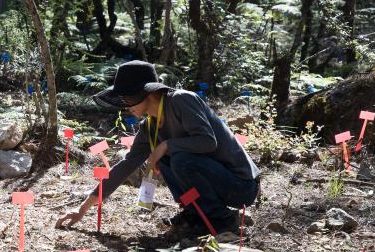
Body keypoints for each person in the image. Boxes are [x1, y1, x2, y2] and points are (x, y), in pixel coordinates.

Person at [55, 60, 259, 237]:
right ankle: (194, 213)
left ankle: (223, 220)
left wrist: (166, 145)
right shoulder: (149, 127)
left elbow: (207, 141)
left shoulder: (182, 100)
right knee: (168, 159)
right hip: (218, 183)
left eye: (128, 98)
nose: (126, 106)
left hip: (241, 186)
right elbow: (125, 166)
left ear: (148, 92)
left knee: (179, 158)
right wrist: (83, 208)